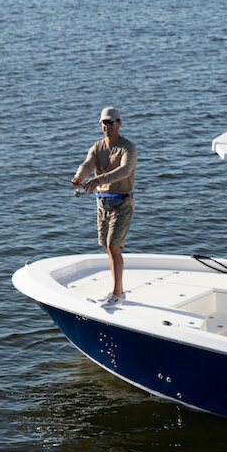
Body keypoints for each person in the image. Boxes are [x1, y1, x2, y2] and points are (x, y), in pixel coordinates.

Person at [71, 106, 138, 307]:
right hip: (102, 203)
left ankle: (118, 293)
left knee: (113, 245)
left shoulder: (128, 148)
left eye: (110, 122)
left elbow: (124, 171)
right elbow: (87, 164)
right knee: (107, 248)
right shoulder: (98, 146)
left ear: (119, 123)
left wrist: (98, 179)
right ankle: (117, 290)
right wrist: (79, 177)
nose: (106, 126)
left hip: (122, 203)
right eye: (103, 123)